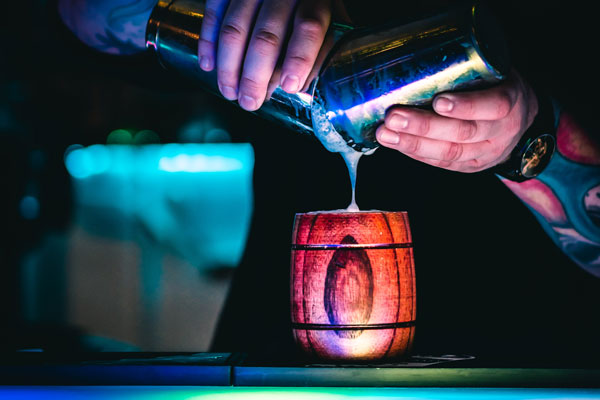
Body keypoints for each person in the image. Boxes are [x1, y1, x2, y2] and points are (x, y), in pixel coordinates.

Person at [57, 0, 600, 360]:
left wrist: (534, 141)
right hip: (271, 375)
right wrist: (213, 10)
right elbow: (83, 11)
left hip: (534, 366)